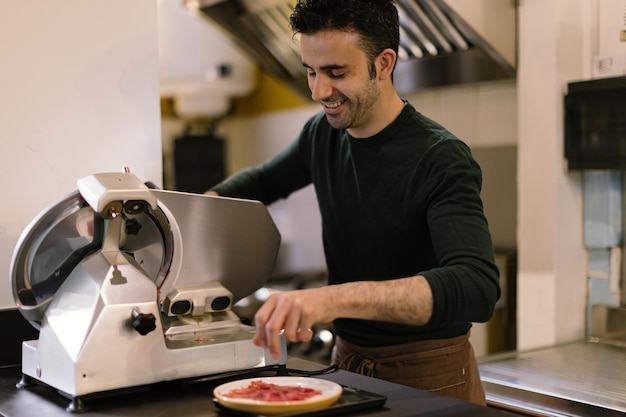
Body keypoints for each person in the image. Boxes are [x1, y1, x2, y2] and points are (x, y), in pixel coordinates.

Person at [205, 0, 500, 406]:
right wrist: (177, 213)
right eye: (310, 71)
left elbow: (476, 286)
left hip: (429, 375)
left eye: (335, 73)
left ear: (384, 63)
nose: (318, 91)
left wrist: (329, 299)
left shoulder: (440, 157)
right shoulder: (322, 135)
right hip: (346, 366)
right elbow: (261, 182)